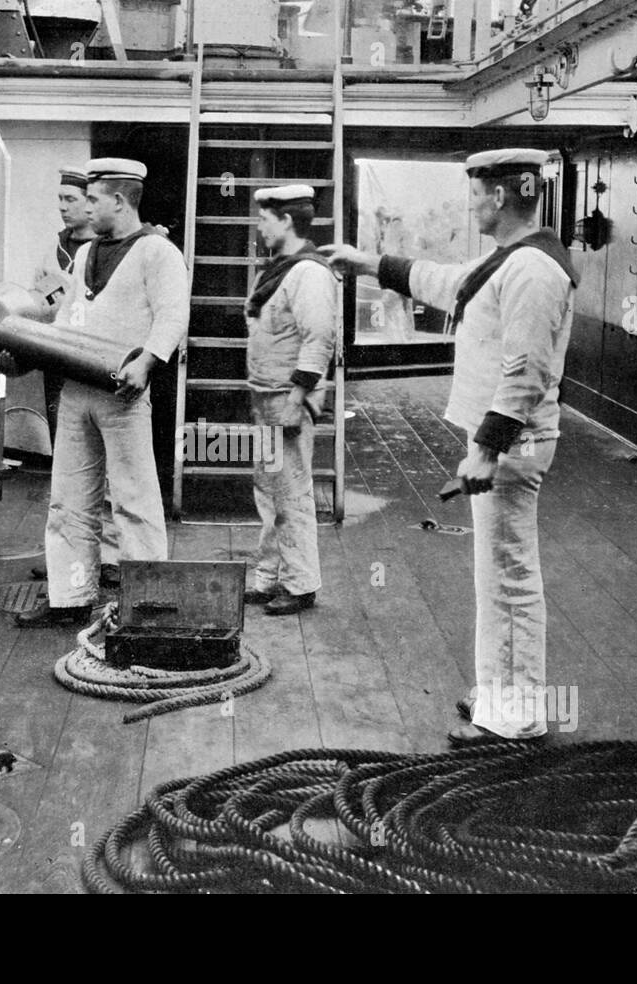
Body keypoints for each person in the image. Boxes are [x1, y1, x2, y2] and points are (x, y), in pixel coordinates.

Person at [324, 149, 577, 747]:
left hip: (513, 443)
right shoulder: (508, 260)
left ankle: (515, 714)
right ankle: (497, 692)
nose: (471, 202)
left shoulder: (534, 269)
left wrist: (486, 450)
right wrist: (369, 263)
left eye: (478, 191)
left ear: (503, 195)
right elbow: (448, 281)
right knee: (496, 575)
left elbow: (527, 369)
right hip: (504, 438)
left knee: (510, 576)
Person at [16, 158, 189, 627]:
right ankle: (69, 598)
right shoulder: (89, 253)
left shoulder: (158, 252)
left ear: (119, 199)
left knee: (134, 499)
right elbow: (70, 315)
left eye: (92, 198)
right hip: (77, 390)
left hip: (124, 395)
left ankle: (148, 602)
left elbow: (173, 315)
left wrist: (148, 362)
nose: (85, 207)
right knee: (68, 498)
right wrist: (28, 342)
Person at [21, 165, 121, 588]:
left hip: (98, 367)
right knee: (66, 462)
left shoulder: (109, 248)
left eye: (71, 200)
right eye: (59, 199)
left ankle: (112, 553)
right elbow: (38, 301)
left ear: (91, 202)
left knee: (110, 461)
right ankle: (68, 552)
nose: (62, 208)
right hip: (59, 365)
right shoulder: (54, 250)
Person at [242, 185, 337, 616]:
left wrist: (298, 398)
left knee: (293, 493)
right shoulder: (280, 270)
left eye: (265, 218)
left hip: (286, 397)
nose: (259, 226)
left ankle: (300, 584)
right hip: (266, 395)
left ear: (286, 221)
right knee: (269, 490)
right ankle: (269, 577)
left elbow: (319, 339)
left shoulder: (309, 273)